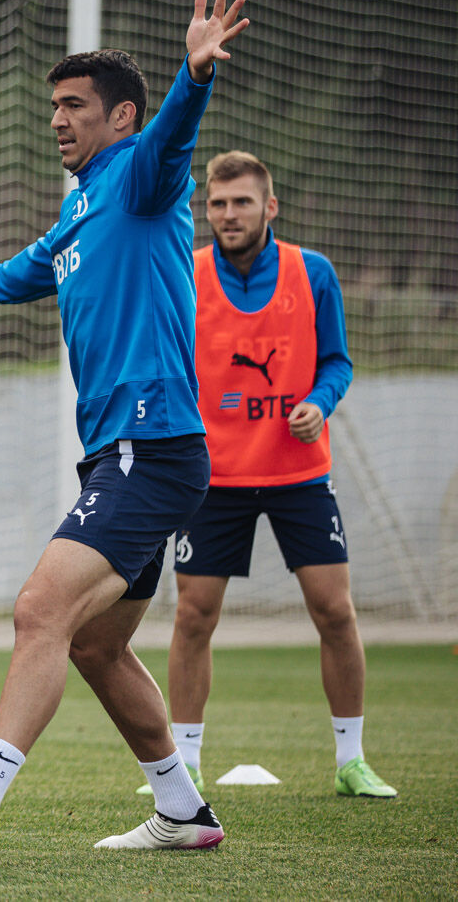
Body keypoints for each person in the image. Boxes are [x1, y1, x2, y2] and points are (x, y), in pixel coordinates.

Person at [0, 0, 250, 863]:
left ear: (119, 116)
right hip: (125, 453)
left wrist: (193, 74)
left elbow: (173, 136)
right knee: (94, 642)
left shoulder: (142, 173)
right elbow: (37, 265)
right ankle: (183, 809)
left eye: (73, 105)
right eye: (53, 106)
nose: (58, 119)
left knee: (39, 609)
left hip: (151, 445)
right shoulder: (81, 204)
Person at [136, 150, 396, 799]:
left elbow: (337, 362)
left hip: (300, 474)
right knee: (194, 615)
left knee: (334, 611)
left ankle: (351, 759)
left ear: (269, 207)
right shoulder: (187, 273)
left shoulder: (315, 273)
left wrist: (320, 402)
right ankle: (184, 763)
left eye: (241, 202)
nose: (227, 214)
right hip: (211, 478)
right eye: (217, 204)